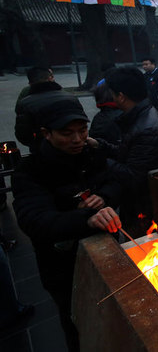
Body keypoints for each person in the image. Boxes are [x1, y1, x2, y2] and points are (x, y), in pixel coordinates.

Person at [12, 97, 122, 351]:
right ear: (46, 134)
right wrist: (86, 218)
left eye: (82, 131)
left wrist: (105, 196)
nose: (77, 140)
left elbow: (116, 182)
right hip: (64, 264)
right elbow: (34, 220)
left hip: (105, 250)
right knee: (79, 323)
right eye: (66, 133)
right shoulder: (30, 170)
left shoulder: (91, 154)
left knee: (114, 313)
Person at [93, 67, 158, 237]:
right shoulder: (139, 116)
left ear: (121, 96)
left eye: (113, 94)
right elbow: (130, 154)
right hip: (145, 201)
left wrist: (102, 160)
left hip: (148, 206)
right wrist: (100, 145)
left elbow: (133, 175)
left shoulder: (147, 127)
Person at [15, 68, 78, 152]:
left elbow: (22, 133)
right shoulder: (69, 97)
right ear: (50, 78)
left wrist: (35, 144)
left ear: (30, 83)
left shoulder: (25, 103)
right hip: (69, 148)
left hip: (40, 150)